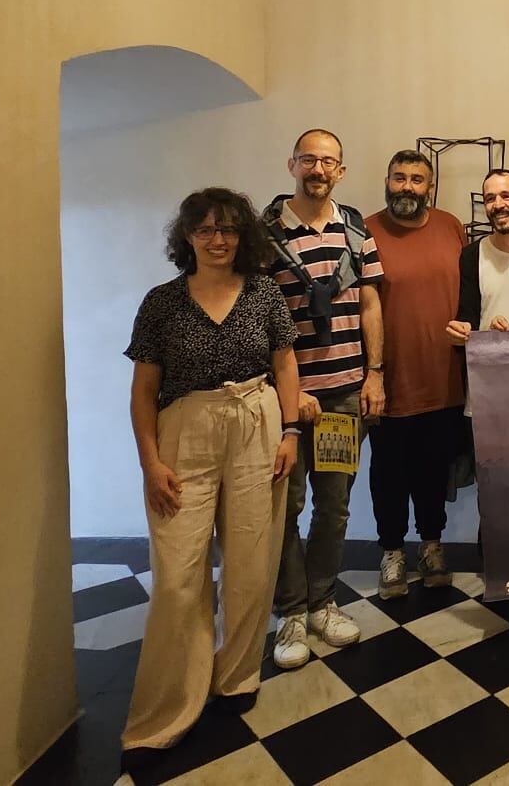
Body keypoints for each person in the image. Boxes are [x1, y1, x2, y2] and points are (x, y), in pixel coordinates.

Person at [120, 188, 303, 762]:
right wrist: (151, 462)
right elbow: (144, 391)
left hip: (257, 420)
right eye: (204, 229)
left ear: (243, 235)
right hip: (185, 431)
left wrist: (291, 431)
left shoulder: (266, 294)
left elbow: (285, 364)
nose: (217, 239)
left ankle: (237, 675)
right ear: (187, 237)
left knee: (252, 558)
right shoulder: (162, 303)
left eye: (227, 229)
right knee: (178, 573)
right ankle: (172, 702)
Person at [263, 129, 385, 668]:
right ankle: (289, 611)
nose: (318, 168)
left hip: (341, 398)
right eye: (309, 159)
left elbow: (371, 305)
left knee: (333, 506)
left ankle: (321, 601)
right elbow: (253, 321)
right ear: (292, 164)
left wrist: (374, 374)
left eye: (329, 161)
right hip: (285, 400)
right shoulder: (261, 237)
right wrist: (289, 396)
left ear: (341, 170)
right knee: (283, 507)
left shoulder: (357, 230)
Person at [365, 150, 471, 598]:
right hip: (389, 380)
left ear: (431, 186)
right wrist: (371, 373)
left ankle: (432, 546)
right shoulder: (365, 231)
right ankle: (391, 550)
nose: (407, 186)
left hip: (444, 378)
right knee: (389, 471)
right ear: (386, 181)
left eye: (417, 179)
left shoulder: (451, 227)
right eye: (399, 178)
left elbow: (469, 294)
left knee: (433, 470)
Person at [446, 168, 509, 340]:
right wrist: (462, 330)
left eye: (507, 196)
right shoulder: (472, 255)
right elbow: (468, 318)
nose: (498, 205)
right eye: (490, 198)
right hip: (493, 362)